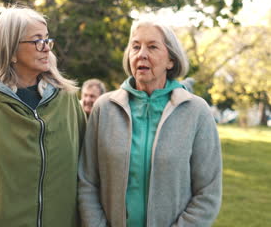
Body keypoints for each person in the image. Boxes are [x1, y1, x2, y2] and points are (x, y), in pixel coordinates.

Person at [0, 6, 86, 227]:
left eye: (47, 40)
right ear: (10, 50)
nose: (46, 49)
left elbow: (86, 176)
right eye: (37, 40)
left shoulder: (68, 100)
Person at [78, 19, 222, 227]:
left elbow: (208, 193)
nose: (141, 54)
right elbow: (87, 182)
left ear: (171, 60)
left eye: (152, 47)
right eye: (135, 47)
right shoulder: (104, 109)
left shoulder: (197, 112)